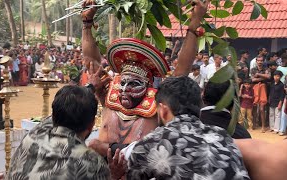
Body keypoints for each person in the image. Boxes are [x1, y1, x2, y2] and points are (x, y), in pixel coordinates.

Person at [82, 0, 209, 156]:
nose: (124, 89)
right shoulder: (110, 94)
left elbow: (180, 73)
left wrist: (195, 22)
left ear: (148, 85)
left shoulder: (157, 105)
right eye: (122, 82)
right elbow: (92, 64)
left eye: (134, 84)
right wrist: (87, 23)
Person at [109, 76, 250, 180]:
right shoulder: (224, 137)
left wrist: (114, 176)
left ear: (163, 110)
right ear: (200, 106)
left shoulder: (154, 143)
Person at [6, 85, 110, 179]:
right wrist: (114, 175)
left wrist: (90, 86)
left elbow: (53, 117)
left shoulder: (33, 136)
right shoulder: (92, 162)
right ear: (92, 125)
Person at [251, 55, 270, 132]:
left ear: (263, 61)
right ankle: (254, 124)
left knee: (262, 108)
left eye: (261, 60)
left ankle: (263, 126)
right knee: (255, 107)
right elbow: (252, 80)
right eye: (258, 60)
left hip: (264, 88)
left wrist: (258, 75)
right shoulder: (253, 69)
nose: (260, 62)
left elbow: (268, 77)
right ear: (256, 61)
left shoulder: (266, 68)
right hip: (255, 88)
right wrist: (263, 77)